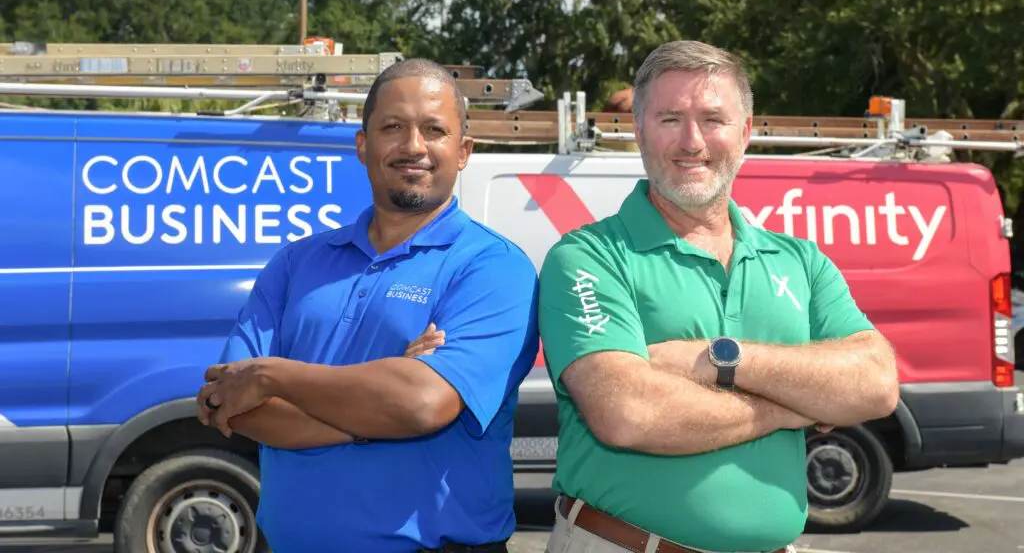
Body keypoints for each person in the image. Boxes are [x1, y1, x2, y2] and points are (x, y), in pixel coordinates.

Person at [537, 40, 900, 553]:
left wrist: (721, 360)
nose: (692, 141)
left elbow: (876, 384)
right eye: (669, 119)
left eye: (713, 119)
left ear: (745, 132)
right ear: (638, 131)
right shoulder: (588, 257)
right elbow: (626, 412)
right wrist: (786, 408)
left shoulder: (800, 260)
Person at [195, 58, 540, 553]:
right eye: (392, 127)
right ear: (363, 144)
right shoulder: (297, 262)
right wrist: (381, 401)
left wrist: (275, 377)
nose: (413, 146)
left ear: (463, 151)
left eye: (434, 130)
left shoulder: (494, 268)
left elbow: (422, 405)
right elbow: (235, 405)